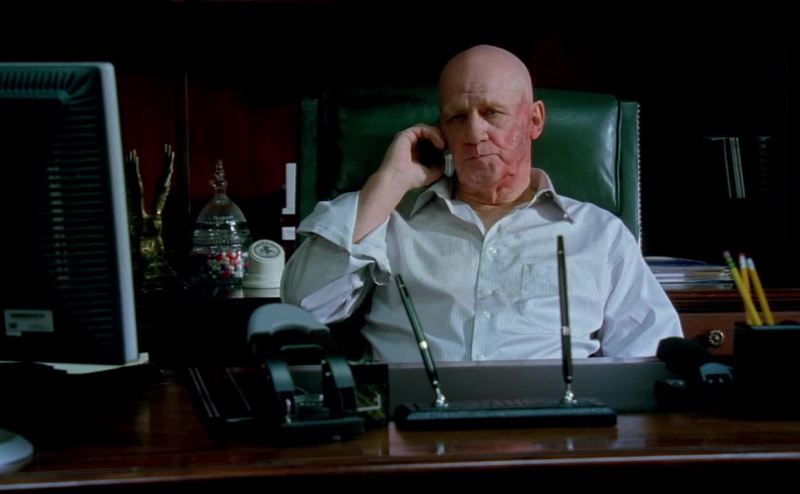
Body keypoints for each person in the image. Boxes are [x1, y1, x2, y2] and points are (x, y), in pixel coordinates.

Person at [281, 44, 682, 362]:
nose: (474, 133)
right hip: (411, 425)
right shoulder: (390, 219)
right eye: (457, 118)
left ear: (534, 120)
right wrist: (389, 183)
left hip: (554, 429)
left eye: (492, 113)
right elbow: (304, 306)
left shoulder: (600, 234)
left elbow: (651, 353)